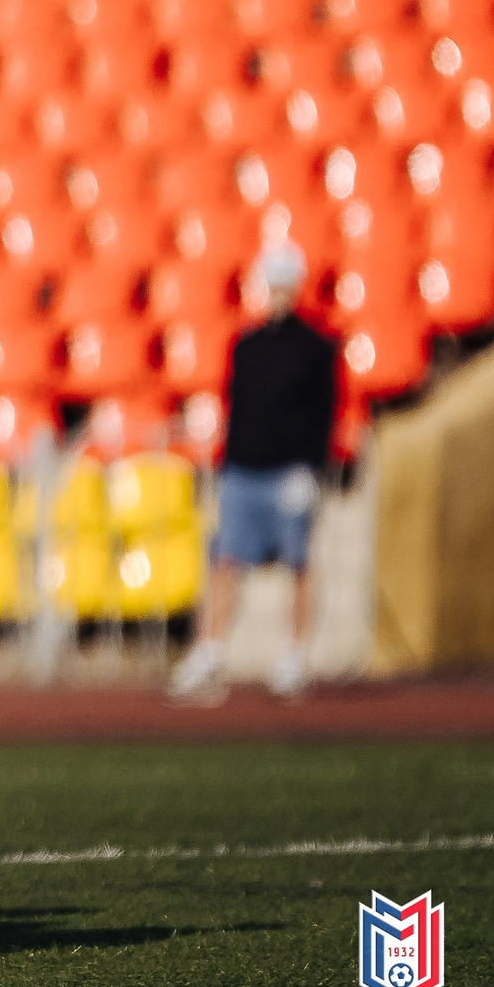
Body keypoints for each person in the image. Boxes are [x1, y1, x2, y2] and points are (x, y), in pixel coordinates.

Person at [170, 240, 340, 701]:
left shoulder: (315, 348)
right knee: (225, 562)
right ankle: (209, 653)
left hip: (289, 473)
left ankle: (295, 655)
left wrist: (310, 469)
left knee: (298, 563)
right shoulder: (245, 346)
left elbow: (324, 413)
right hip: (244, 470)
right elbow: (238, 409)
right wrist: (228, 464)